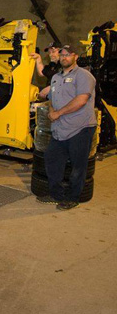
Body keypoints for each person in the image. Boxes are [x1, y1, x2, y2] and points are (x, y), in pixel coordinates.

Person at [37, 45, 97, 210]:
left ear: (75, 57)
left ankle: (73, 197)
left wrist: (59, 113)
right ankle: (56, 194)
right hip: (60, 128)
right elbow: (52, 98)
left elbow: (82, 100)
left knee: (78, 166)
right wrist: (51, 111)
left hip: (80, 127)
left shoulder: (84, 76)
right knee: (51, 159)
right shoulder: (56, 77)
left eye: (68, 55)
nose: (64, 57)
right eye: (62, 54)